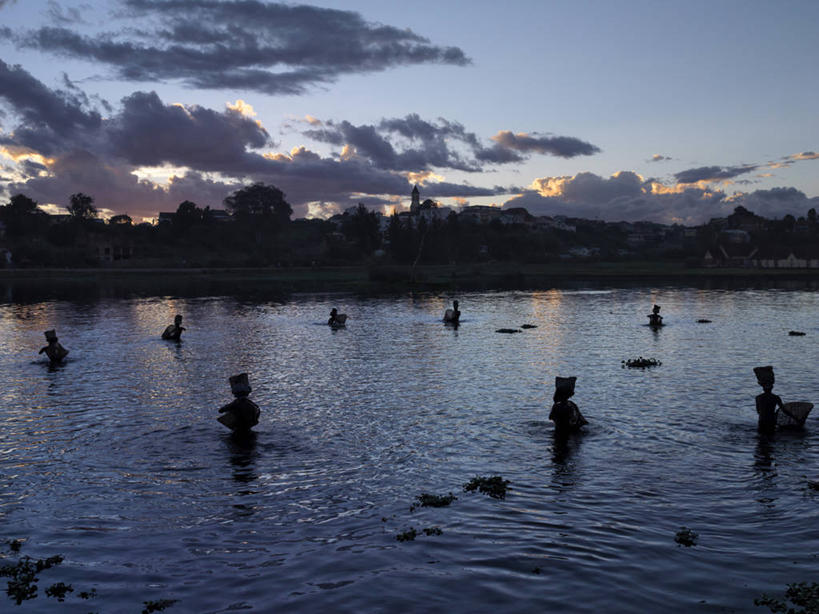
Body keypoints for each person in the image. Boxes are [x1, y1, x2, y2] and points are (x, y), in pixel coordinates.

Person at [754, 366, 783, 433]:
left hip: (762, 421)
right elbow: (783, 410)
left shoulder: (758, 397)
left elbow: (758, 411)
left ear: (763, 388)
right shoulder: (775, 397)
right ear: (772, 388)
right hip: (771, 421)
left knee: (761, 439)